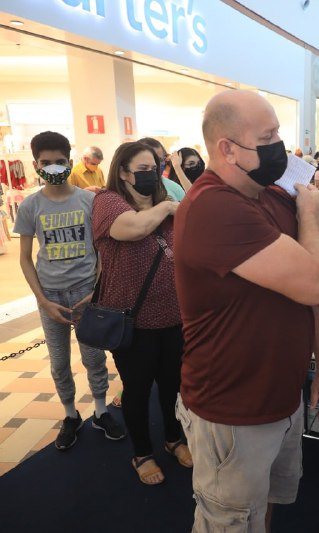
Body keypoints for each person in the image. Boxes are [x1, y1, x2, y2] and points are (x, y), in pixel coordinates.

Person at [173, 90, 319, 531]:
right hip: (232, 408)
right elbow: (316, 280)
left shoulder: (266, 195)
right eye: (267, 136)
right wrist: (310, 214)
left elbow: (309, 296)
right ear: (227, 148)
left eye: (278, 133)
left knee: (263, 506)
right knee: (228, 519)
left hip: (280, 399)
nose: (279, 146)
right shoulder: (214, 206)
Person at [14, 131, 123, 450]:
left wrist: (96, 292)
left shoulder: (90, 201)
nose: (54, 168)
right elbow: (24, 257)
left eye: (60, 162)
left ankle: (101, 411)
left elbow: (103, 249)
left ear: (70, 162)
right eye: (46, 163)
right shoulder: (31, 206)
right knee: (59, 362)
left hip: (87, 295)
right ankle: (69, 415)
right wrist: (43, 301)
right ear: (35, 166)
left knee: (94, 358)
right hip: (51, 297)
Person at [92, 141, 187, 485]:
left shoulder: (167, 204)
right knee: (137, 388)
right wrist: (168, 209)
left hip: (173, 317)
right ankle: (142, 453)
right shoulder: (108, 202)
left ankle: (173, 437)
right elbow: (131, 228)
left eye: (155, 168)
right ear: (122, 171)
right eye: (143, 169)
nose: (151, 175)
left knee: (172, 385)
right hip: (132, 321)